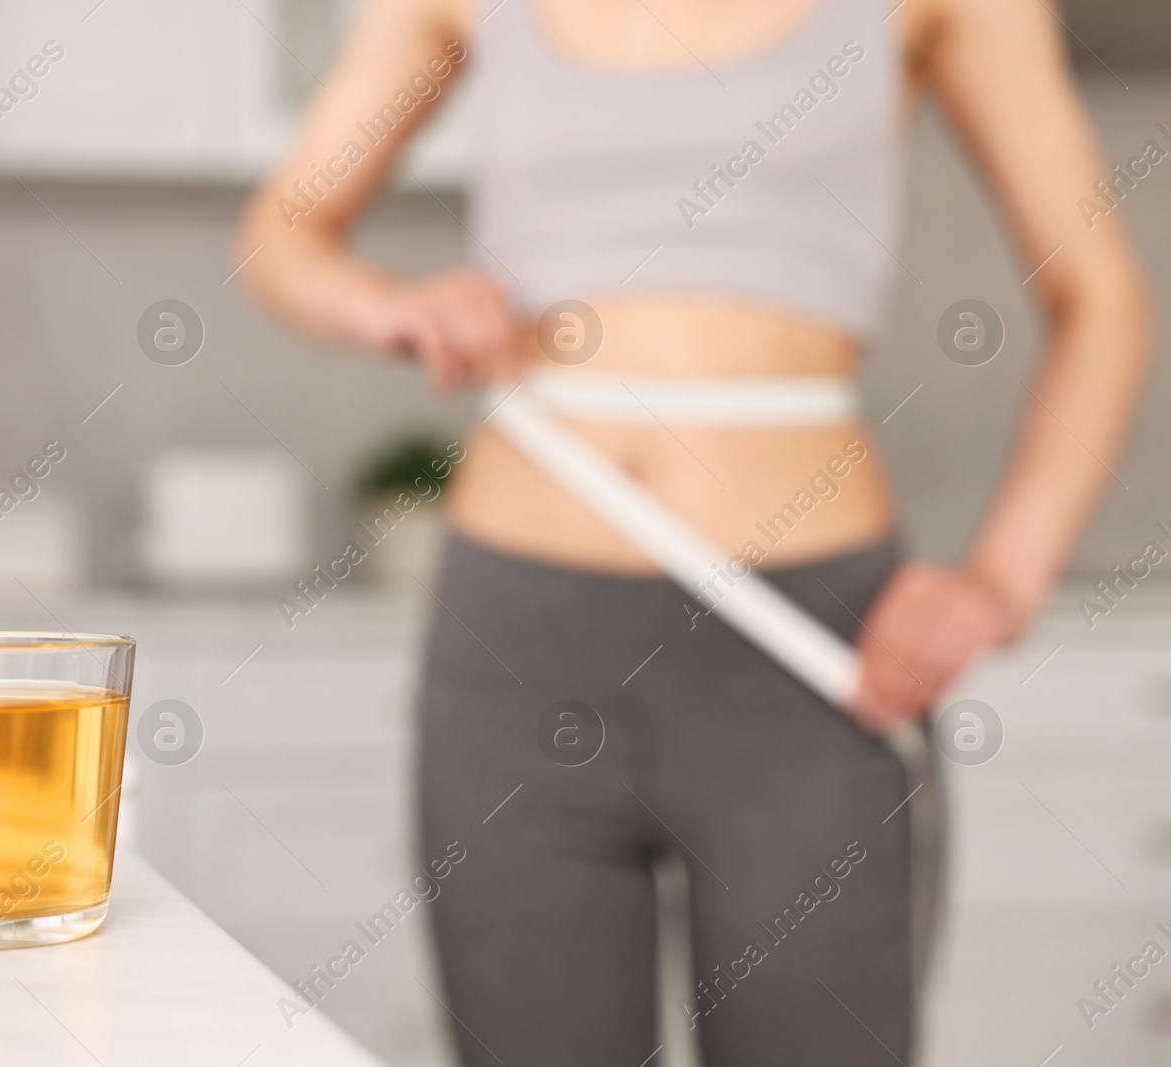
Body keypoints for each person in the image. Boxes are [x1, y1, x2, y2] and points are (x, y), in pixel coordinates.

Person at [236, 0, 1150, 1062]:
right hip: (519, 651)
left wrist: (1001, 576)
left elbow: (1101, 299)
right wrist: (378, 306)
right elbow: (283, 232)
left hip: (809, 654)